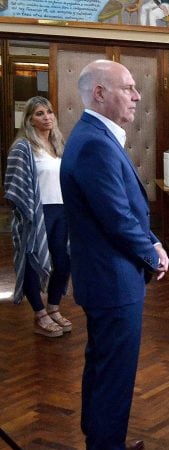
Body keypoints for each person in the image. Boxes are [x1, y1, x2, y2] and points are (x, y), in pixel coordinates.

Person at [60, 59, 168, 450]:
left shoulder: (95, 137)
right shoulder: (94, 144)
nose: (137, 96)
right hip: (113, 281)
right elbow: (118, 219)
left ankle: (102, 442)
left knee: (102, 368)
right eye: (128, 88)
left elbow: (126, 208)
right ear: (100, 93)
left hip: (107, 278)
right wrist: (152, 251)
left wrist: (153, 239)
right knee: (114, 377)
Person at [4, 96, 72, 338]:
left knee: (63, 262)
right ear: (30, 119)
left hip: (61, 211)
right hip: (35, 213)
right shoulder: (23, 147)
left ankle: (53, 307)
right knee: (33, 261)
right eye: (40, 113)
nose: (47, 117)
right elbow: (12, 186)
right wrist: (28, 211)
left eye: (50, 112)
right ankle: (39, 314)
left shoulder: (58, 145)